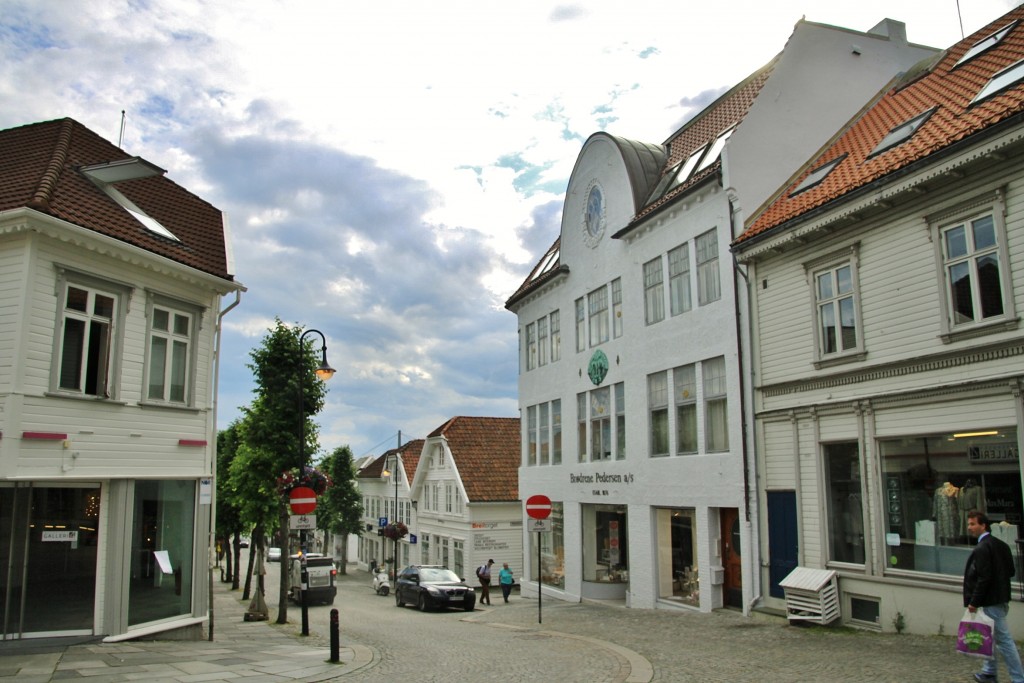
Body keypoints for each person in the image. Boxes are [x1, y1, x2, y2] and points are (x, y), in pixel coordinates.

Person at [963, 510, 1024, 683]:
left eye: (973, 524)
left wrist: (974, 602)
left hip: (991, 600)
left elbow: (984, 577)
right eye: (968, 524)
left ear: (983, 525)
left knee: (1004, 641)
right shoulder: (1000, 544)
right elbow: (1011, 571)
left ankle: (1018, 678)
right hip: (1001, 598)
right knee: (990, 637)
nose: (970, 527)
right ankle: (989, 672)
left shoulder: (983, 547)